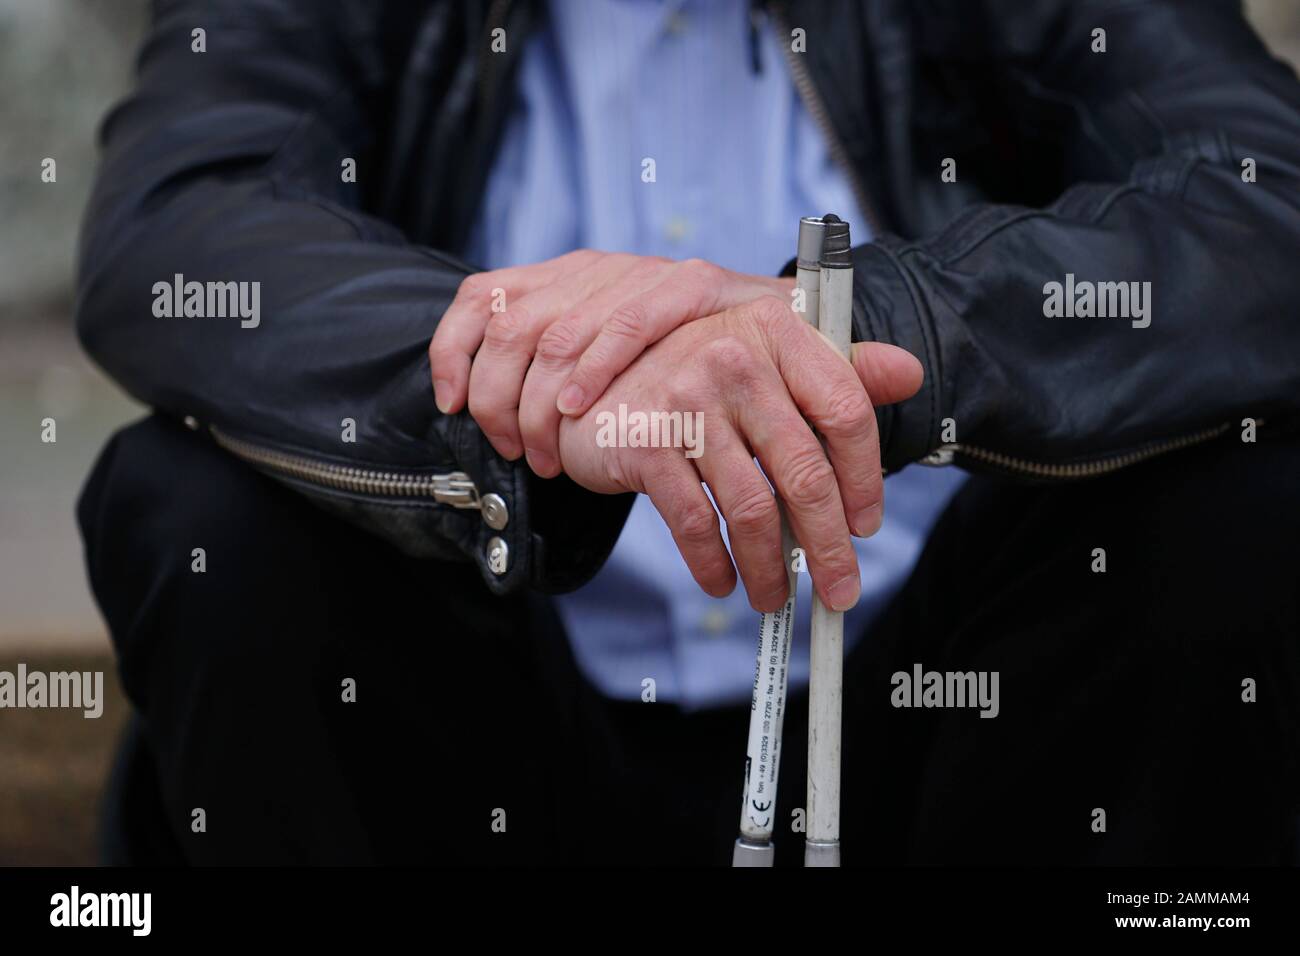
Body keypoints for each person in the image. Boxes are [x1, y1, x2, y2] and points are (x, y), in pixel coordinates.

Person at [77, 0, 1300, 865]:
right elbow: (180, 221)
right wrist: (540, 376)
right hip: (480, 724)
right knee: (198, 504)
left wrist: (848, 328)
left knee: (1240, 486)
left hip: (952, 724)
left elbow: (1267, 198)